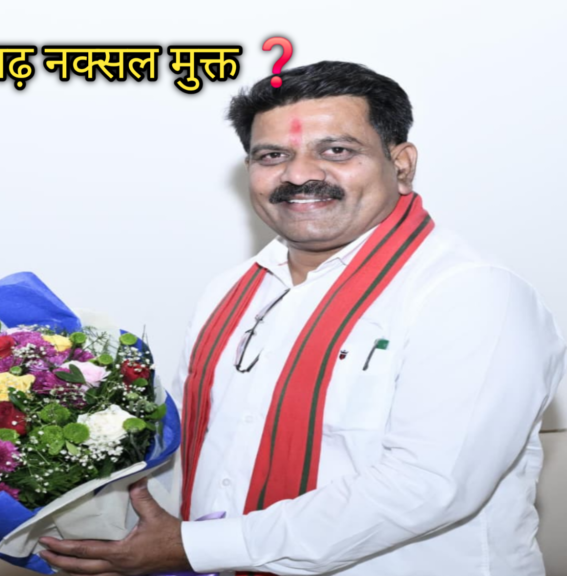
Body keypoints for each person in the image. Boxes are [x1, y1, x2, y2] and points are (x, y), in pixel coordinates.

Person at [39, 61, 566, 575]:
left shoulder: (469, 292)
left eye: (337, 151)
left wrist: (195, 547)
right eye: (273, 155)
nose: (299, 175)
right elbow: (194, 458)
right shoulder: (231, 291)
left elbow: (427, 485)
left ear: (402, 164)